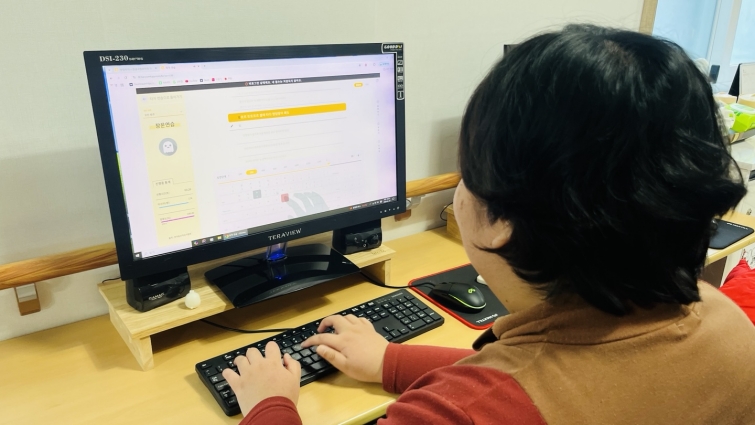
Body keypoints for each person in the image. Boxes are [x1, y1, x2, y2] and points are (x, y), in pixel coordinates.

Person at [222, 24, 755, 424]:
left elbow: (503, 395)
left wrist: (270, 405)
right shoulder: (725, 324)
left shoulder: (458, 414)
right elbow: (557, 374)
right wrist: (391, 359)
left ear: (501, 219)